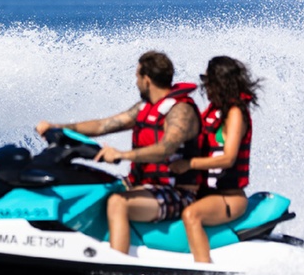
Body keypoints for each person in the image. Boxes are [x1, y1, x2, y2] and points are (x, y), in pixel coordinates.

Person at [36, 51, 202, 255]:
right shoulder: (146, 108)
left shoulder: (181, 111)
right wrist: (57, 128)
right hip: (143, 185)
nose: (136, 82)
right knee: (93, 188)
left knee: (118, 203)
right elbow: (103, 125)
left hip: (179, 193)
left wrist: (122, 155)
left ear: (147, 80)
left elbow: (165, 149)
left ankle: (116, 267)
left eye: (137, 77)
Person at [170, 56, 261, 263]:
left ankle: (203, 272)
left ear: (220, 83)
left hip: (229, 198)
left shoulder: (236, 113)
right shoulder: (212, 112)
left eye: (209, 83)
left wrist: (189, 164)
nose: (206, 88)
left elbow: (228, 158)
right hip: (205, 193)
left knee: (192, 215)